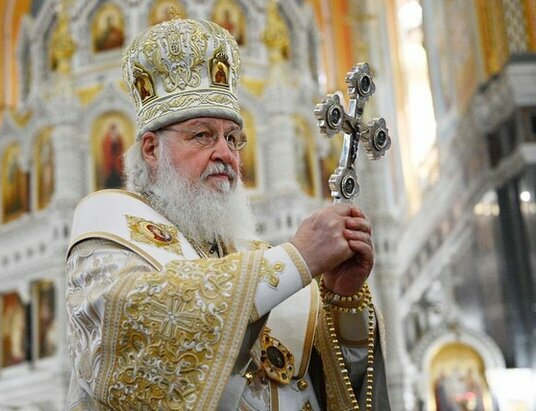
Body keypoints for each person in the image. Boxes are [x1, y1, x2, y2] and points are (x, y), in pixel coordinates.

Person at [66, 18, 390, 410]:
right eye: (202, 135)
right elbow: (142, 324)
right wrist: (299, 257)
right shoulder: (109, 229)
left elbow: (333, 384)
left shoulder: (255, 254)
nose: (225, 153)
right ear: (151, 150)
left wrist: (342, 302)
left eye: (233, 138)